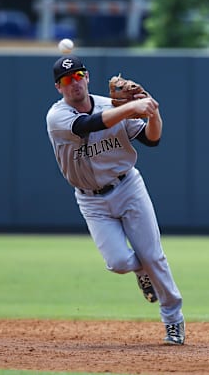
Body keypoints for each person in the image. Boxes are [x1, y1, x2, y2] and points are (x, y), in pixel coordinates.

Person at [45, 55, 185, 345]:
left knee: (154, 256)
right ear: (59, 88)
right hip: (91, 201)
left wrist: (153, 113)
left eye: (78, 76)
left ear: (87, 76)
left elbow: (151, 139)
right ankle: (141, 269)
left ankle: (173, 320)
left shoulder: (113, 106)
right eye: (66, 81)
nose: (74, 84)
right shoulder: (57, 116)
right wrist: (132, 107)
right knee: (119, 262)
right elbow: (88, 125)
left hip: (128, 187)